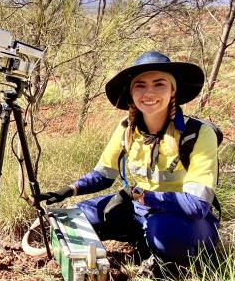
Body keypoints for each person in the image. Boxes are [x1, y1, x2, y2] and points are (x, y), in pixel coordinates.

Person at [38, 51, 220, 267]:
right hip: (140, 208)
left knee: (164, 231)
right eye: (140, 85)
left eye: (159, 84)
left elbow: (196, 206)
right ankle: (142, 242)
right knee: (72, 219)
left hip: (183, 220)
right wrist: (69, 190)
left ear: (173, 90)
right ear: (132, 93)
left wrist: (140, 195)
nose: (149, 93)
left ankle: (170, 262)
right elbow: (104, 175)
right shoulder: (127, 128)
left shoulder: (197, 133)